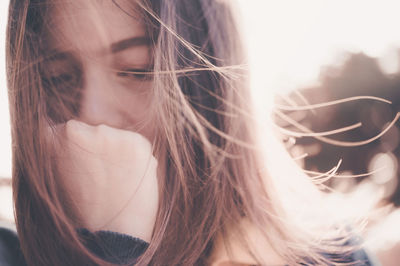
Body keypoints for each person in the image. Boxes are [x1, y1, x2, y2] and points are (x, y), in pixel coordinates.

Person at [1, 0, 377, 265]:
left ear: (211, 85)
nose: (91, 114)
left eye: (137, 70)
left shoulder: (327, 255)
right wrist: (110, 247)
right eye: (59, 78)